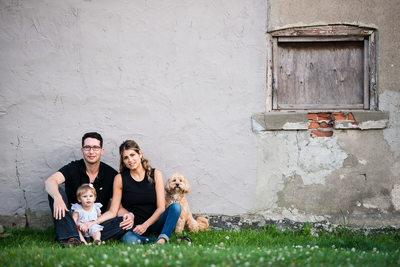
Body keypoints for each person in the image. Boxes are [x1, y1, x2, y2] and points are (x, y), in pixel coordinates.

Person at [44, 132, 134, 247]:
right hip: (74, 221)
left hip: (95, 223)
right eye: (87, 147)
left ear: (102, 151)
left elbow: (117, 208)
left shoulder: (111, 175)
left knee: (122, 222)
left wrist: (130, 215)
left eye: (95, 147)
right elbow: (49, 181)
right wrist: (58, 198)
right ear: (82, 150)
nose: (91, 152)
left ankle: (71, 237)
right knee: (56, 192)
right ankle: (72, 236)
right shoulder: (73, 168)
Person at [93, 140, 181, 244]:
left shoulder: (156, 174)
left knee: (176, 207)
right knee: (128, 239)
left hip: (155, 223)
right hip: (133, 226)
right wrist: (94, 222)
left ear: (140, 154)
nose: (130, 160)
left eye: (132, 155)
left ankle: (163, 237)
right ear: (123, 161)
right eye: (125, 157)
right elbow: (115, 210)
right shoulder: (120, 178)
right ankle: (158, 241)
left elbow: (161, 208)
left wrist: (145, 225)